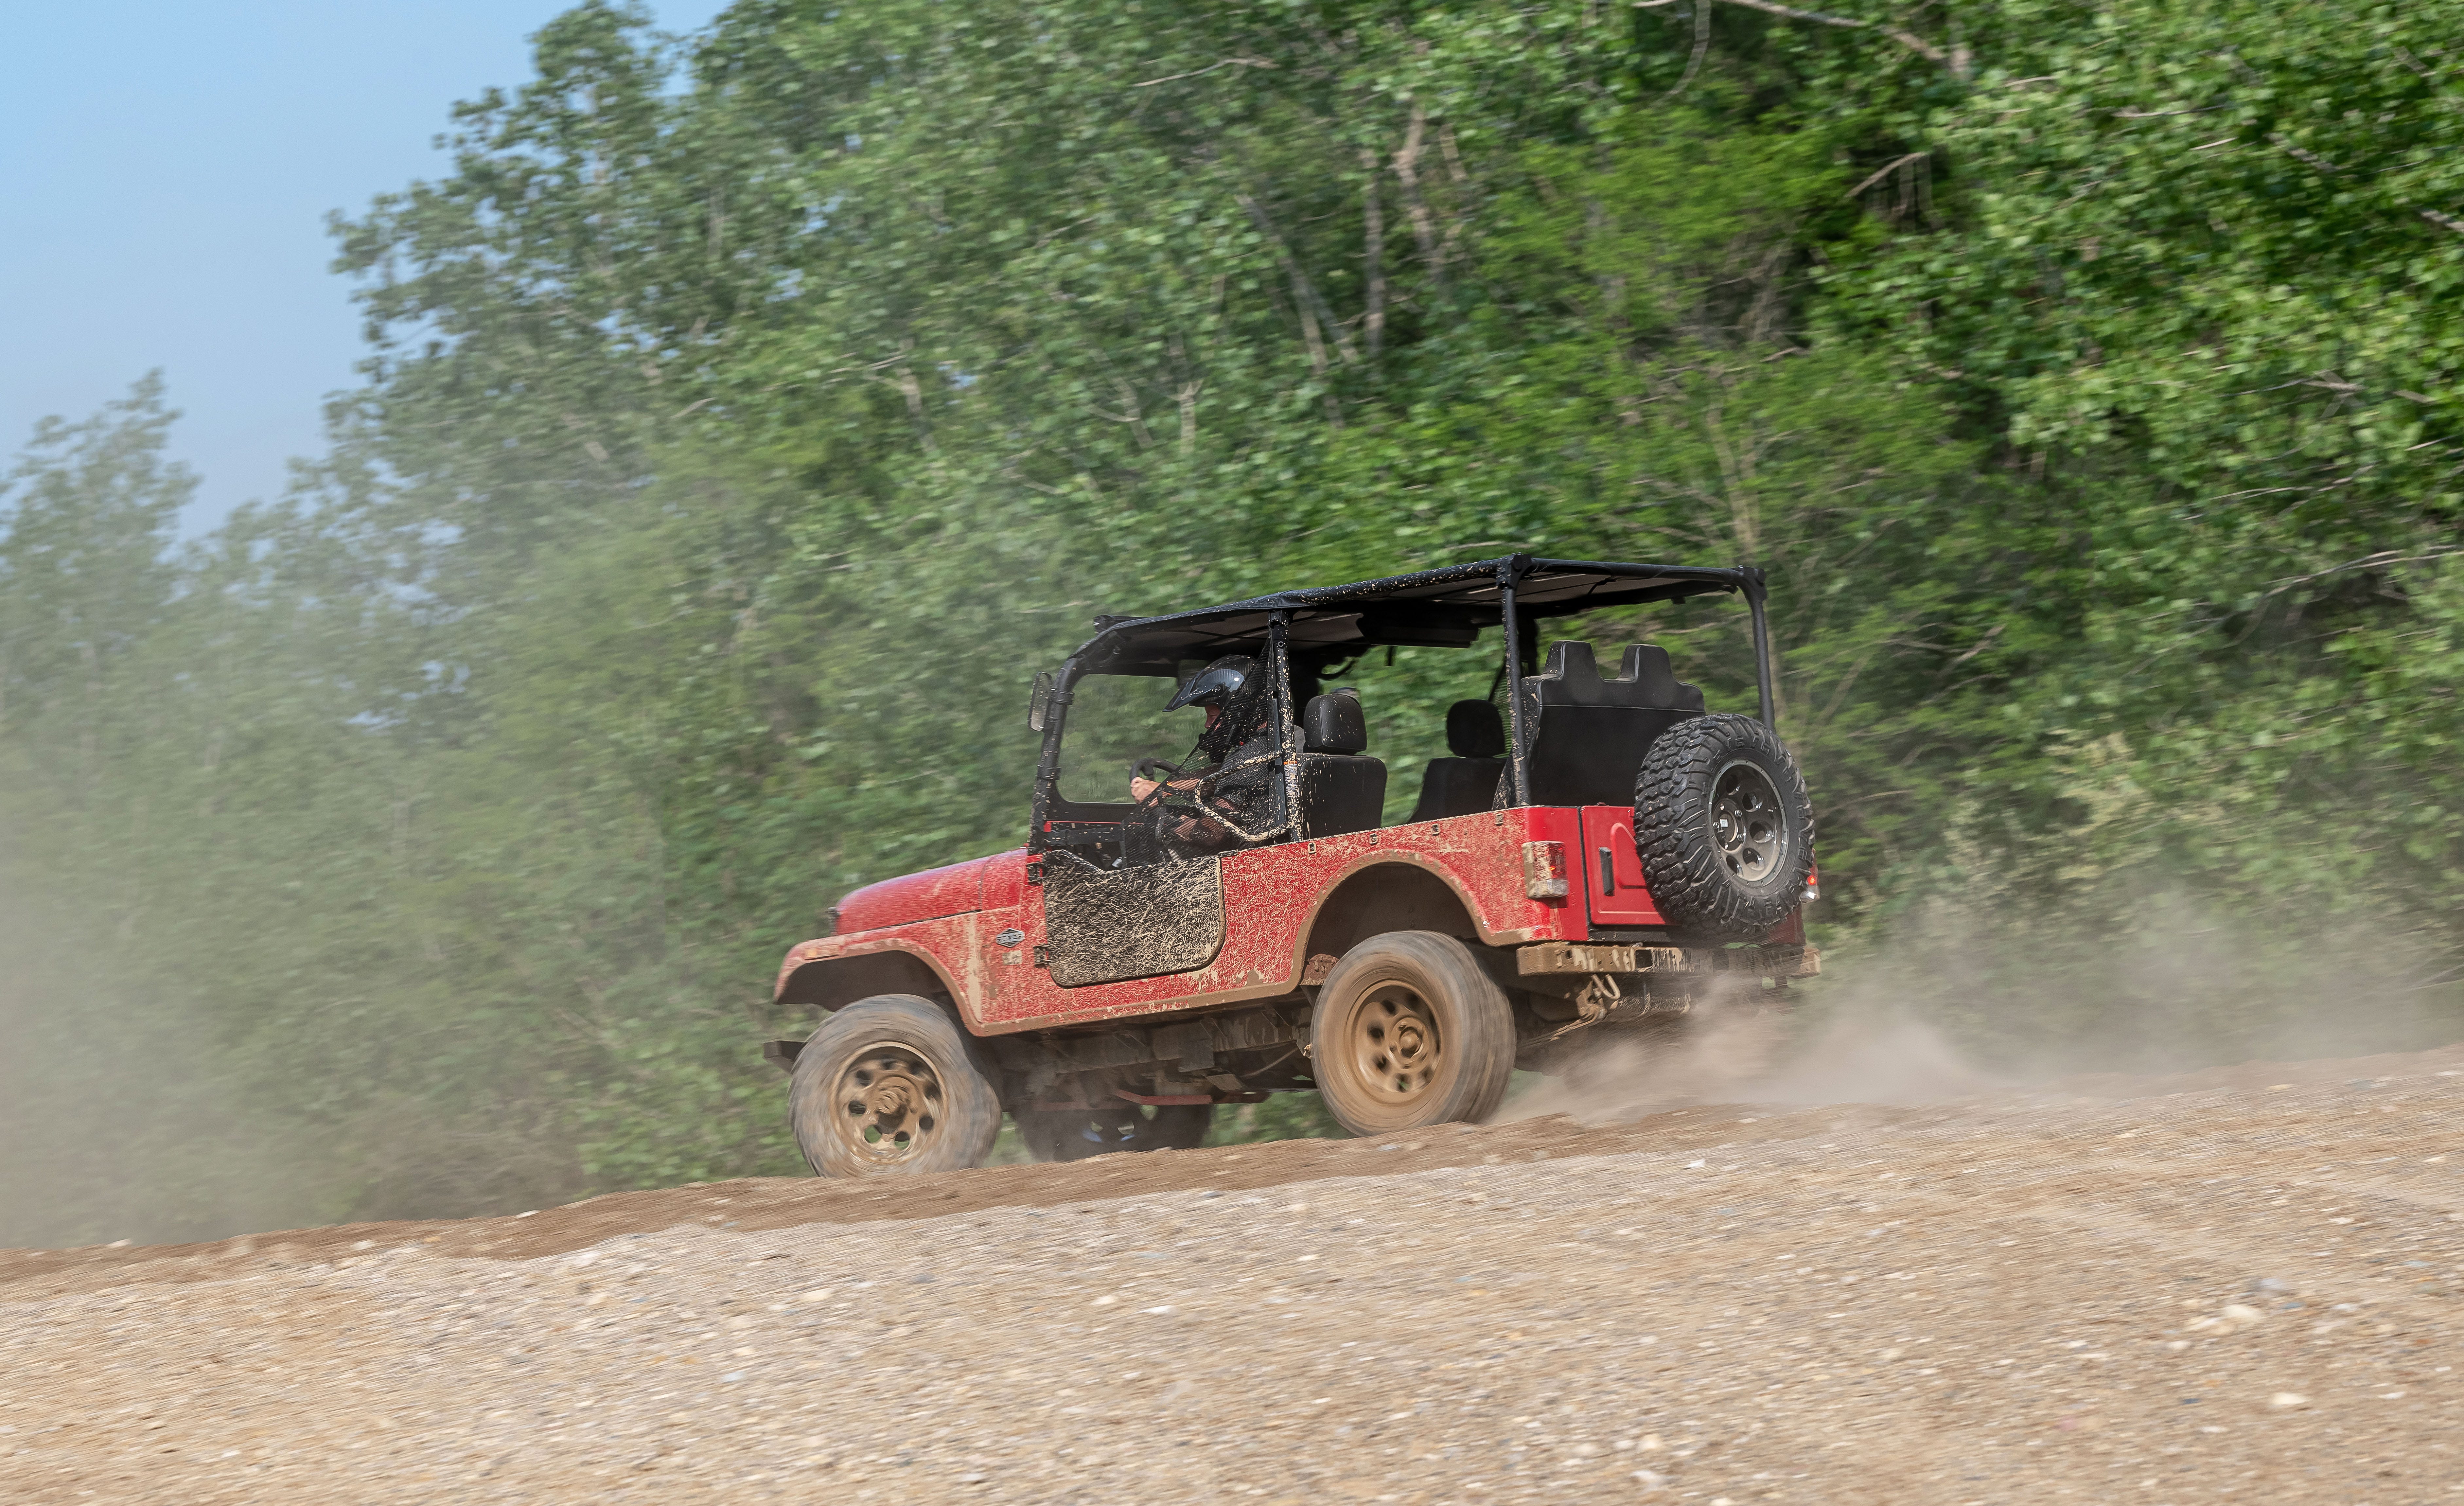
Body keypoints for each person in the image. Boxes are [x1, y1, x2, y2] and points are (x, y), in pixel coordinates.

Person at [1128, 654, 1284, 853]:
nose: (1208, 725)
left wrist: (1165, 819)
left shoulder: (1250, 757)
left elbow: (1212, 836)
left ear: (1238, 711)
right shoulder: (1279, 741)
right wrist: (1164, 789)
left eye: (1213, 715)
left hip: (1248, 866)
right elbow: (1222, 773)